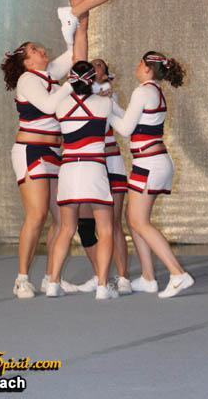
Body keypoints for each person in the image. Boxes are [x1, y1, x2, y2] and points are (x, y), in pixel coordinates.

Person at [110, 52, 194, 298]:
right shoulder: (153, 90)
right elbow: (132, 119)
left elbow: (125, 128)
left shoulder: (143, 91)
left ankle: (178, 273)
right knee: (133, 218)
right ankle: (148, 278)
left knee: (139, 221)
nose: (136, 65)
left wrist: (103, 108)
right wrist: (110, 104)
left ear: (148, 69)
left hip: (149, 163)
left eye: (140, 62)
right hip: (150, 162)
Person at [1, 40, 75, 298]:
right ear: (27, 62)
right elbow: (48, 106)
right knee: (37, 214)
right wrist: (71, 85)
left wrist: (74, 29)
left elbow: (75, 55)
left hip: (54, 151)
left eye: (40, 47)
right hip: (31, 151)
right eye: (34, 50)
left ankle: (50, 277)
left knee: (63, 218)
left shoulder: (49, 74)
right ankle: (21, 279)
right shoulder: (28, 80)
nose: (42, 50)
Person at [46, 61, 118, 300]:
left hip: (68, 169)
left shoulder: (60, 104)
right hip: (94, 168)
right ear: (92, 79)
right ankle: (102, 286)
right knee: (105, 229)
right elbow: (116, 129)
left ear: (70, 78)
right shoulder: (105, 103)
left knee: (66, 229)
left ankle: (53, 282)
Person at [75, 58, 132, 294]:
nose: (94, 66)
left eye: (99, 65)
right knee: (85, 225)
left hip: (110, 162)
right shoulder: (80, 97)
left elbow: (121, 122)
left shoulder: (110, 96)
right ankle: (101, 276)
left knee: (113, 223)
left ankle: (123, 278)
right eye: (91, 64)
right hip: (88, 165)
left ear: (106, 73)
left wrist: (105, 94)